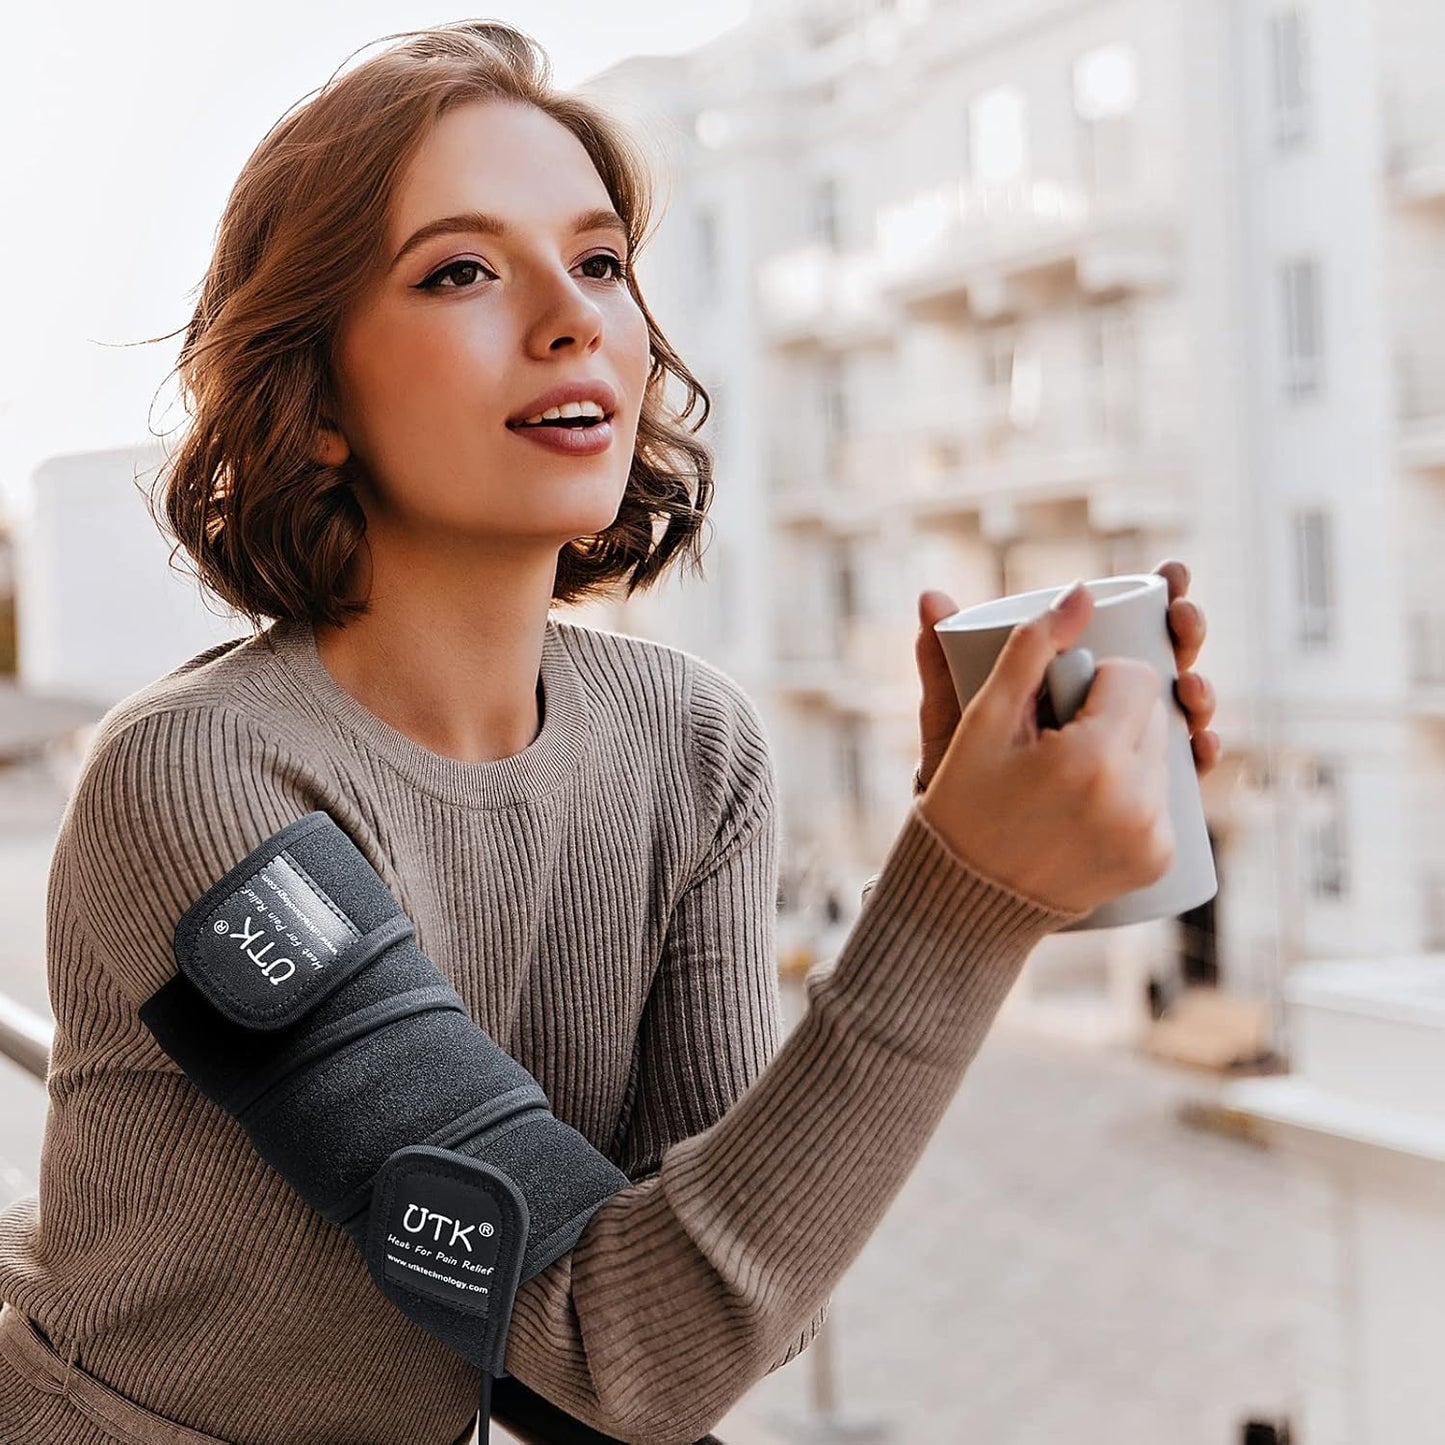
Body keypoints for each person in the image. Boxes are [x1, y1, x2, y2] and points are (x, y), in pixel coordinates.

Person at [0, 18, 1220, 1445]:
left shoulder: (692, 743)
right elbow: (624, 1348)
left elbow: (725, 1296)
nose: (571, 316)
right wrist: (961, 894)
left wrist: (983, 837)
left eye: (597, 262)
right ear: (316, 400)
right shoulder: (198, 778)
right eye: (459, 270)